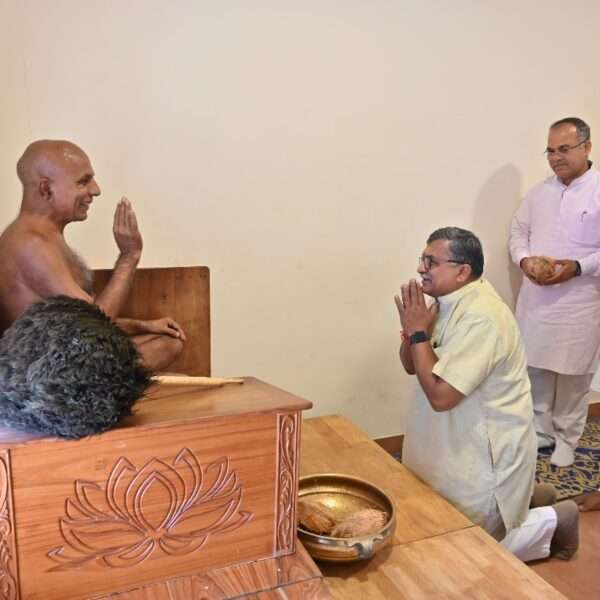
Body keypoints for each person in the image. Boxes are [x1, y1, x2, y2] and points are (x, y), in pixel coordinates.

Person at [395, 226, 578, 561]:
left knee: (460, 557)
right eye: (422, 259)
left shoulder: (482, 318)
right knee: (425, 524)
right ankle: (529, 500)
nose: (421, 268)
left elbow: (441, 397)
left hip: (485, 455)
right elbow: (411, 365)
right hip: (449, 442)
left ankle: (553, 521)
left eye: (431, 262)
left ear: (462, 271)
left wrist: (418, 332)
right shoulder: (444, 303)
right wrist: (412, 332)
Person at [0, 140, 186, 371]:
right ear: (46, 189)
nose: (95, 190)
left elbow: (74, 322)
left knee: (166, 342)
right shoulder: (31, 245)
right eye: (83, 181)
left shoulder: (42, 238)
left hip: (65, 355)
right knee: (163, 347)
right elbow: (93, 325)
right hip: (45, 374)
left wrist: (144, 326)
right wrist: (129, 257)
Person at [509, 117, 600, 468]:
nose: (555, 157)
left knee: (574, 376)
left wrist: (577, 267)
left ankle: (567, 438)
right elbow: (518, 233)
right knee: (534, 369)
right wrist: (525, 261)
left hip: (581, 303)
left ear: (586, 147)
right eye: (550, 150)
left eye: (564, 149)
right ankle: (540, 432)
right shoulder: (539, 193)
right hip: (536, 301)